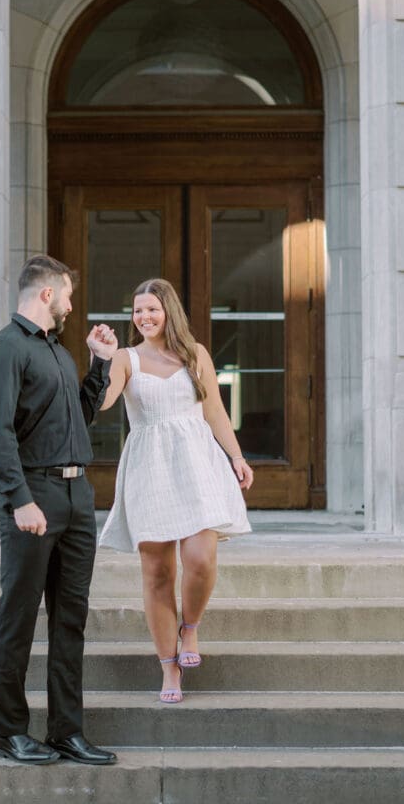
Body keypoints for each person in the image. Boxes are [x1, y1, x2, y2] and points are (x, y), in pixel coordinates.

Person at [0, 254, 118, 765]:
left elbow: (77, 422)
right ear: (46, 294)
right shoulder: (5, 350)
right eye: (67, 295)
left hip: (77, 498)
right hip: (33, 497)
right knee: (18, 617)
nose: (71, 305)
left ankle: (66, 731)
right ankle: (8, 732)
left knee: (70, 619)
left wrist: (99, 364)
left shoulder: (59, 353)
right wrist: (20, 500)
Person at [98, 278, 254, 703]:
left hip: (197, 463)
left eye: (152, 309)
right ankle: (169, 670)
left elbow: (215, 410)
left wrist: (236, 456)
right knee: (158, 572)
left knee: (201, 558)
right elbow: (105, 401)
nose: (144, 317)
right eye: (137, 311)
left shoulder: (195, 354)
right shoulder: (126, 359)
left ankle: (191, 627)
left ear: (169, 311)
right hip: (150, 467)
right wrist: (102, 359)